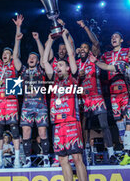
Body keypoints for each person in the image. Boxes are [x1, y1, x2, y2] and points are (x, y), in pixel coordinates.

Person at [43, 29, 87, 181]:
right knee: (62, 160)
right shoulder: (53, 79)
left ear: (68, 68)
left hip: (72, 123)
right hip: (58, 124)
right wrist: (49, 40)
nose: (58, 67)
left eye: (61, 65)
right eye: (57, 65)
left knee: (77, 158)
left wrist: (64, 36)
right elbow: (44, 62)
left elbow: (71, 54)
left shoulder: (73, 78)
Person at [11, 16, 50, 168]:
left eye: (35, 57)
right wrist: (18, 36)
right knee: (26, 134)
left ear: (38, 61)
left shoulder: (41, 69)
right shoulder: (24, 70)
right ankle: (27, 160)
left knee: (43, 134)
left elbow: (44, 56)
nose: (32, 58)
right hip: (27, 106)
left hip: (40, 106)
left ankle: (46, 159)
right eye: (30, 57)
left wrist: (38, 40)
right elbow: (15, 57)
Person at [76, 20, 116, 164]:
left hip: (97, 97)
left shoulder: (93, 58)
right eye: (81, 48)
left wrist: (85, 28)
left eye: (85, 47)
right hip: (83, 99)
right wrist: (78, 77)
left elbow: (96, 43)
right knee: (85, 127)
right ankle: (86, 153)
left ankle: (111, 153)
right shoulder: (76, 64)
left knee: (104, 125)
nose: (83, 49)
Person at [0, 16, 22, 169]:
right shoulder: (0, 65)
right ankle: (0, 160)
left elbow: (16, 47)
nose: (5, 54)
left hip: (11, 97)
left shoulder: (14, 65)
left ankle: (16, 159)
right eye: (4, 53)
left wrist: (18, 28)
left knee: (14, 129)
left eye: (7, 53)